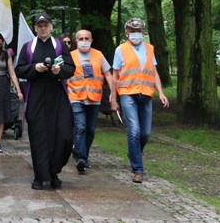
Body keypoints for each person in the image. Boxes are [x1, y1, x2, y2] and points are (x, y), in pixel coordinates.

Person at [15, 13, 75, 190]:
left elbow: (71, 68)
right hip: (36, 96)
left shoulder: (60, 46)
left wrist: (59, 71)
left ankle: (54, 171)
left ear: (51, 26)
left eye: (45, 25)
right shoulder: (28, 47)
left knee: (64, 135)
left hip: (57, 96)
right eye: (39, 25)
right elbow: (19, 69)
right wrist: (34, 68)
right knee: (39, 136)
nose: (43, 28)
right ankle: (40, 176)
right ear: (35, 28)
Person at [111, 17, 169, 184]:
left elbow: (154, 72)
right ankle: (138, 169)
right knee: (134, 131)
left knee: (145, 133)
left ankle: (134, 152)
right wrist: (113, 99)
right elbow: (115, 76)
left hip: (146, 94)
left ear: (143, 32)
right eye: (132, 30)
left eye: (138, 31)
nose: (135, 33)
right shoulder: (120, 50)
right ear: (126, 32)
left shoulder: (150, 49)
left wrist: (161, 93)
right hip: (127, 93)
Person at [67, 29, 114, 174]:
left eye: (86, 38)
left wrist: (113, 92)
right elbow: (63, 74)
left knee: (90, 130)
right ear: (76, 41)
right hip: (76, 96)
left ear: (91, 40)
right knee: (80, 126)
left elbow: (107, 73)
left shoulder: (98, 55)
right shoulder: (70, 56)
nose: (84, 41)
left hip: (94, 99)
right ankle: (80, 158)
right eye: (80, 39)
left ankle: (83, 155)